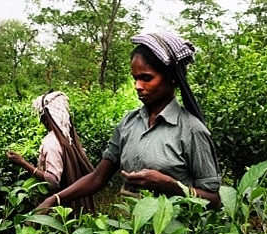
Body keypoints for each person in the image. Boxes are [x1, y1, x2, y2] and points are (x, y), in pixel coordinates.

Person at [35, 32, 222, 213]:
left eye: (146, 78)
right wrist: (54, 199)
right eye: (135, 78)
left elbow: (214, 200)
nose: (138, 86)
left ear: (172, 77)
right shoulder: (129, 123)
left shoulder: (191, 130)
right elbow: (98, 178)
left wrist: (169, 185)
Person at [6, 90, 95, 214]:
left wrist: (23, 163)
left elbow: (52, 180)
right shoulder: (69, 136)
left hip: (61, 205)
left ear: (46, 119)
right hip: (77, 199)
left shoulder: (51, 143)